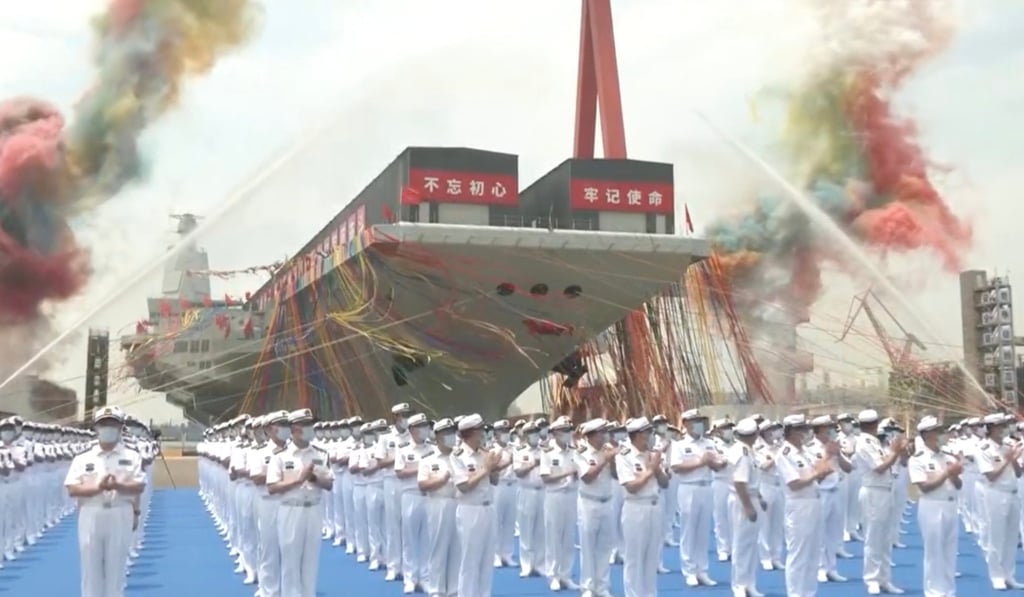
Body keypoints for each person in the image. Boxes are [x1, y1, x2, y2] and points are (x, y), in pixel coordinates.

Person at [64, 406, 146, 597]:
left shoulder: (132, 456)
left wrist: (118, 486)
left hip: (120, 511)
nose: (108, 428)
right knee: (90, 567)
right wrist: (97, 489)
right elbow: (72, 488)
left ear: (120, 428)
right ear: (96, 428)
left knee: (116, 568)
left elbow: (139, 485)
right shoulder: (83, 458)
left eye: (112, 424)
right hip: (91, 512)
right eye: (104, 424)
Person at [267, 409, 334, 597]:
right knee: (290, 561)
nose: (310, 429)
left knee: (310, 561)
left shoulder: (321, 453)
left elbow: (329, 483)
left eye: (311, 425)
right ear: (295, 428)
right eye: (306, 425)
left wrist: (313, 478)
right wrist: (299, 480)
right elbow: (272, 487)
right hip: (290, 509)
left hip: (313, 509)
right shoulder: (280, 456)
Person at [775, 414, 831, 597]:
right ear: (790, 432)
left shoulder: (805, 452)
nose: (805, 433)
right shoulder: (785, 454)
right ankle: (795, 593)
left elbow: (816, 476)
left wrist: (823, 469)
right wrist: (817, 474)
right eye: (800, 430)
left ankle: (808, 592)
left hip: (814, 501)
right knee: (799, 552)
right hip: (798, 505)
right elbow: (794, 483)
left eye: (805, 429)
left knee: (813, 552)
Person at [908, 415, 962, 597]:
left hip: (950, 504)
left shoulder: (948, 457)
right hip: (931, 506)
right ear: (927, 434)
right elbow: (925, 487)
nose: (941, 434)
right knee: (934, 551)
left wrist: (953, 475)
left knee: (949, 550)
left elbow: (959, 485)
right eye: (937, 431)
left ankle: (949, 590)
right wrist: (947, 473)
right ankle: (933, 591)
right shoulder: (918, 459)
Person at [854, 409, 906, 595]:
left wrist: (893, 453)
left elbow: (886, 462)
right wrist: (895, 452)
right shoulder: (864, 443)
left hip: (886, 490)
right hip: (873, 491)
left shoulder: (875, 442)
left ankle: (884, 578)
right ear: (875, 424)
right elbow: (880, 467)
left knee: (885, 538)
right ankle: (872, 579)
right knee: (873, 537)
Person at [616, 416, 669, 597]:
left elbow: (664, 483)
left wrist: (658, 468)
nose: (650, 436)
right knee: (635, 557)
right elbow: (631, 487)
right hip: (635, 509)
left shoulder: (652, 454)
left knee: (651, 556)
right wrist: (650, 469)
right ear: (637, 435)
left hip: (654, 507)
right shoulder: (624, 456)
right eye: (647, 433)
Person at [670, 409, 723, 587]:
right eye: (694, 421)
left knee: (702, 531)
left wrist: (716, 462)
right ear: (685, 424)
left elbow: (717, 466)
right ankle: (689, 570)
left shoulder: (709, 443)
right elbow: (677, 467)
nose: (698, 425)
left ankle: (702, 570)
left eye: (700, 421)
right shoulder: (679, 445)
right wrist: (701, 461)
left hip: (707, 487)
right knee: (689, 530)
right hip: (689, 488)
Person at [450, 413, 500, 597]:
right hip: (470, 509)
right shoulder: (458, 456)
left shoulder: (484, 453)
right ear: (471, 433)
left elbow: (494, 481)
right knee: (470, 559)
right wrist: (485, 469)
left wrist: (494, 467)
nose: (483, 434)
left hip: (488, 508)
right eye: (480, 430)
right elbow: (464, 486)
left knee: (486, 559)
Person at [976, 412, 1024, 590]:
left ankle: (1009, 574)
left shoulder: (1007, 446)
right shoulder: (983, 449)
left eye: (1003, 426)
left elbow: (1019, 473)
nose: (1003, 429)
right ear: (990, 428)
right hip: (995, 493)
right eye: (999, 426)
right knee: (996, 536)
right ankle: (996, 575)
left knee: (1011, 537)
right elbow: (991, 475)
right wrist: (1007, 460)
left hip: (1012, 492)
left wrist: (1015, 461)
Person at [574, 418, 618, 597]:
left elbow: (615, 475)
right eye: (601, 433)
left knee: (604, 547)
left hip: (607, 501)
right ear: (591, 435)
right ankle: (588, 587)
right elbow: (587, 477)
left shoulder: (607, 451)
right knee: (588, 546)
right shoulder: (581, 452)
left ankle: (602, 586)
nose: (605, 436)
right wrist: (604, 460)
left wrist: (612, 460)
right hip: (588, 503)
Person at [418, 418, 461, 597]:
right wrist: (441, 480)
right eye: (446, 433)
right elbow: (422, 484)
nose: (451, 437)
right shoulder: (428, 460)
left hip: (459, 503)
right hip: (438, 503)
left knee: (456, 547)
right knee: (439, 546)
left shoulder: (459, 457)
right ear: (438, 437)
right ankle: (436, 588)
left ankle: (454, 588)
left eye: (452, 432)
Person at [250, 411, 290, 597]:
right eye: (280, 424)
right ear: (269, 429)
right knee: (269, 549)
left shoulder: (295, 450)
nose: (284, 428)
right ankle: (269, 591)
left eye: (286, 424)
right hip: (268, 503)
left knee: (290, 549)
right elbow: (257, 477)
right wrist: (279, 475)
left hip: (290, 503)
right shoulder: (261, 452)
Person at [395, 414, 435, 593]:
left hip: (429, 495)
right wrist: (420, 467)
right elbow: (400, 472)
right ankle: (410, 578)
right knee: (409, 538)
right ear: (412, 430)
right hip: (410, 495)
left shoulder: (433, 449)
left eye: (425, 426)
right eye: (420, 426)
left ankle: (425, 577)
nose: (424, 430)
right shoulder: (403, 449)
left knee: (428, 539)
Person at [539, 416, 579, 591]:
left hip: (571, 495)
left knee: (568, 538)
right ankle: (553, 575)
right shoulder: (547, 451)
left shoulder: (574, 450)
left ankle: (566, 575)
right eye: (564, 431)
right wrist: (566, 473)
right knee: (554, 536)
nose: (568, 434)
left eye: (569, 431)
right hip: (554, 496)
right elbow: (546, 477)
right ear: (555, 433)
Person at [729, 417, 765, 597]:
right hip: (743, 500)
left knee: (751, 544)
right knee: (742, 544)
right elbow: (740, 483)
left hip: (751, 496)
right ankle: (739, 585)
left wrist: (759, 497)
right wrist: (748, 506)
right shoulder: (742, 453)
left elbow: (752, 481)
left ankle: (749, 582)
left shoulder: (749, 451)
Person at [514, 420, 546, 578]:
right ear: (525, 436)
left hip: (543, 491)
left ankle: (540, 564)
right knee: (526, 530)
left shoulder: (545, 450)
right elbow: (518, 471)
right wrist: (533, 463)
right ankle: (526, 565)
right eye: (531, 433)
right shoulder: (519, 451)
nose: (534, 435)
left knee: (541, 530)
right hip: (527, 491)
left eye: (536, 432)